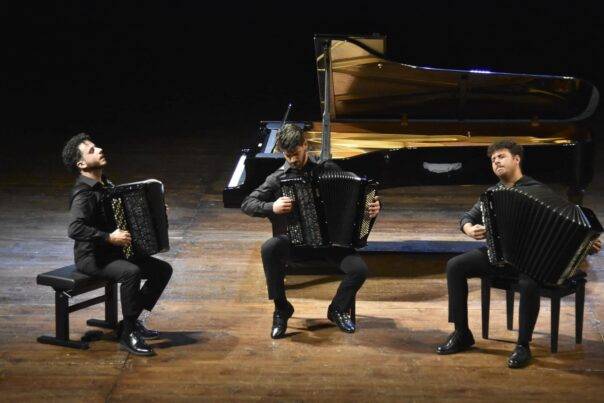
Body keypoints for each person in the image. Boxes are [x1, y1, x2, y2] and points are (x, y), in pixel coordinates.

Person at [436, 139, 601, 368]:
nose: (496, 162)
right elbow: (467, 217)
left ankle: (523, 345)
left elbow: (570, 223)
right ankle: (462, 332)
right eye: (493, 160)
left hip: (532, 260)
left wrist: (585, 243)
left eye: (501, 156)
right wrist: (469, 228)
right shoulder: (492, 193)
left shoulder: (538, 191)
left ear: (516, 159)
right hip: (499, 256)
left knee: (528, 282)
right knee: (455, 265)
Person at [241, 124, 381, 339]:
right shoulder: (278, 178)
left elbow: (355, 203)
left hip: (332, 244)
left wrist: (372, 208)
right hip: (297, 244)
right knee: (269, 247)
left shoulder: (328, 169)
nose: (292, 160)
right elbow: (247, 203)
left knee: (359, 270)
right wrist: (272, 206)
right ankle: (281, 309)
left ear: (305, 145)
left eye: (295, 153)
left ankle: (337, 309)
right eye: (287, 155)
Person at [61, 133, 173, 356]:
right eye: (91, 150)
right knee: (131, 272)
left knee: (162, 270)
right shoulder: (84, 194)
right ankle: (128, 334)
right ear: (81, 164)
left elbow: (121, 215)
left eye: (96, 146)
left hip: (113, 254)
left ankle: (129, 323)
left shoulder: (105, 185)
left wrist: (155, 212)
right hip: (92, 258)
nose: (99, 150)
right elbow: (74, 229)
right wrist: (108, 237)